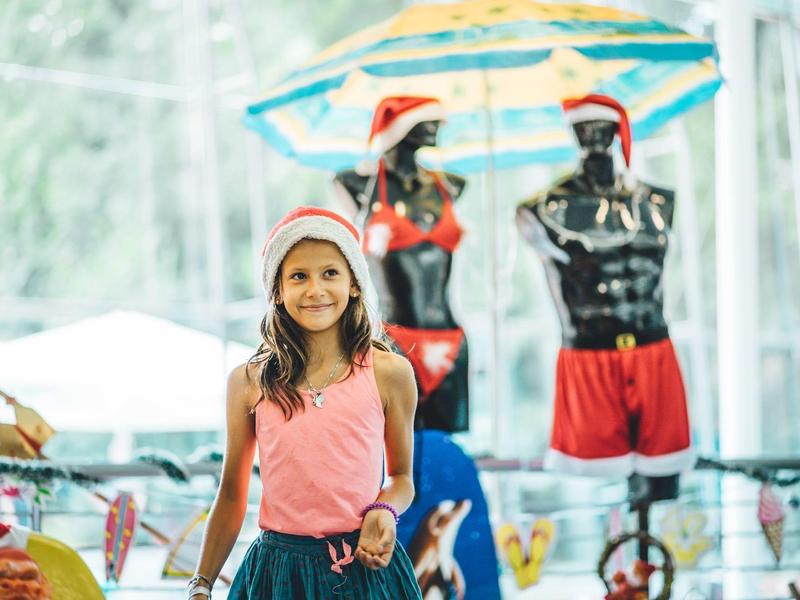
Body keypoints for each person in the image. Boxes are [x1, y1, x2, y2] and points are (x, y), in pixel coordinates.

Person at [188, 206, 422, 599]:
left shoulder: (390, 373)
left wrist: (384, 510)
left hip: (366, 577)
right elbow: (231, 493)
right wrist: (202, 583)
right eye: (299, 276)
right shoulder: (248, 382)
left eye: (330, 272)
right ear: (278, 291)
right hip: (278, 576)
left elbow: (401, 479)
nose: (315, 290)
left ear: (353, 284)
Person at [515, 94, 692, 504]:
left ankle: (648, 562)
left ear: (618, 130)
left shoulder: (659, 201)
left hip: (653, 349)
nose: (592, 134)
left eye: (601, 125)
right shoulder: (539, 209)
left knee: (662, 484)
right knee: (594, 495)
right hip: (587, 355)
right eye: (583, 125)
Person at [334, 96, 469, 433]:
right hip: (393, 340)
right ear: (403, 127)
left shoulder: (449, 185)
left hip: (450, 338)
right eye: (428, 120)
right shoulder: (357, 184)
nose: (438, 126)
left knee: (444, 456)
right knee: (393, 452)